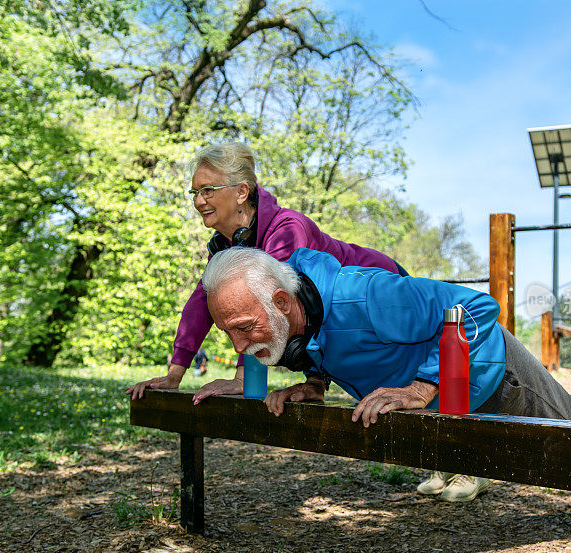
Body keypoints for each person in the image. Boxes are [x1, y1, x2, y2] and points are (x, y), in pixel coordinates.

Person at [195, 246, 571, 529]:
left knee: (565, 422)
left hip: (489, 371)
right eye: (229, 333)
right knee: (543, 451)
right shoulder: (300, 311)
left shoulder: (369, 296)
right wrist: (314, 384)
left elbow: (477, 307)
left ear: (281, 301)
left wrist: (422, 386)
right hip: (451, 398)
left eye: (243, 327)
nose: (239, 344)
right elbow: (323, 346)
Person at [126, 141, 404, 399]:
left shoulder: (287, 230)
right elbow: (199, 306)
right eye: (195, 192)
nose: (199, 201)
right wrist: (175, 374)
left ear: (242, 192)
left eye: (208, 190)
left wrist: (243, 377)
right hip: (340, 327)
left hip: (384, 286)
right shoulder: (226, 248)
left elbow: (263, 309)